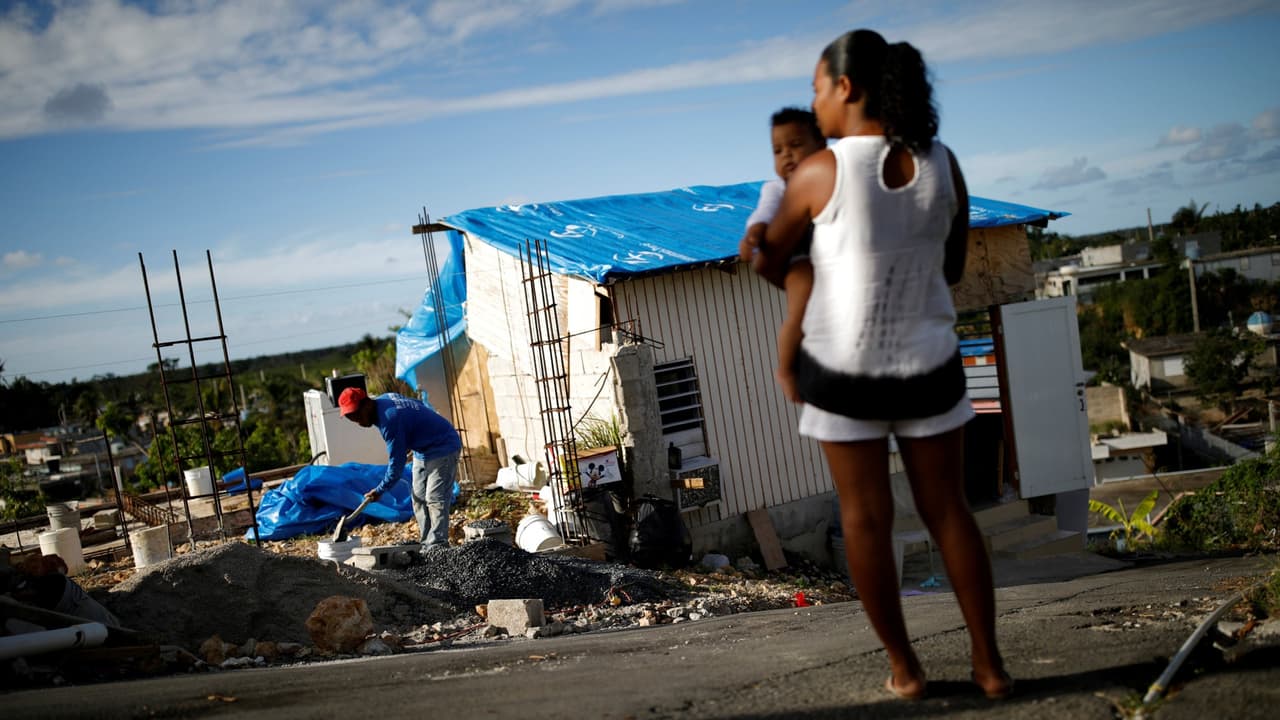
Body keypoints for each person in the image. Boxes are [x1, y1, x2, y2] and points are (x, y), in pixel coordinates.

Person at [746, 29, 1011, 701]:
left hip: (843, 373)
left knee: (866, 520)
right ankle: (989, 667)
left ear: (847, 88)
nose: (814, 102)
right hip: (930, 363)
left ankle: (906, 670)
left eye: (816, 87)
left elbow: (773, 263)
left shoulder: (820, 172)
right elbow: (950, 268)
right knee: (949, 511)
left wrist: (790, 262)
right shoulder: (944, 161)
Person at [740, 107, 827, 402]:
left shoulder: (832, 179)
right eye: (778, 150)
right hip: (800, 257)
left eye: (795, 145)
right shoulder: (777, 188)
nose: (787, 155)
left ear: (822, 146)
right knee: (800, 309)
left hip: (831, 255)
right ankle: (788, 369)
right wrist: (755, 234)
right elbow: (763, 213)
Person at [338, 387, 462, 547]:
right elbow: (416, 403)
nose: (359, 422)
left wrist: (379, 490)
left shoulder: (390, 420)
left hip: (443, 446)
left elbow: (396, 466)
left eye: (357, 415)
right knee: (418, 498)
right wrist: (413, 430)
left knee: (435, 498)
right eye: (352, 418)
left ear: (367, 403)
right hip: (422, 450)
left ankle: (438, 545)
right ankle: (426, 543)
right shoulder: (386, 398)